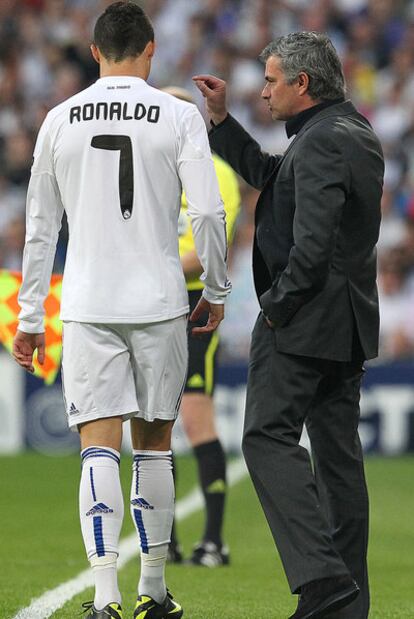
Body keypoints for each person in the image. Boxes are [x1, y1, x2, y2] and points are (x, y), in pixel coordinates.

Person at [12, 3, 230, 619]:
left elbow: (38, 227)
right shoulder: (180, 115)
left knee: (97, 447)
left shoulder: (59, 119)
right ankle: (154, 591)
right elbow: (209, 214)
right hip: (161, 300)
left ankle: (106, 595)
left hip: (88, 302)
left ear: (93, 51)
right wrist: (214, 288)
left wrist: (31, 317)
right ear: (152, 49)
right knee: (156, 444)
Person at [194, 31, 383, 619]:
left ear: (302, 84)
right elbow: (275, 176)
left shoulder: (321, 143)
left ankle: (322, 579)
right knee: (337, 461)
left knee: (265, 437)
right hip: (345, 324)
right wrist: (222, 123)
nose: (265, 91)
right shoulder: (348, 133)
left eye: (273, 80)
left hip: (303, 321)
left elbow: (314, 243)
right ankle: (346, 604)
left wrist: (276, 307)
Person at [162, 86, 240, 567]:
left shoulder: (216, 173)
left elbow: (210, 247)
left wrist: (150, 263)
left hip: (194, 303)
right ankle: (163, 539)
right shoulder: (151, 171)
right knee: (152, 419)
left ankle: (213, 540)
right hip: (152, 300)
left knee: (193, 418)